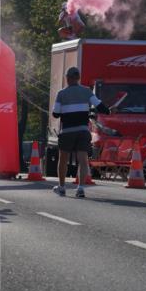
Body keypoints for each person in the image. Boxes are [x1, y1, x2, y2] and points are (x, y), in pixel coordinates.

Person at [51, 66, 110, 198]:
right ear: (78, 78)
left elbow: (55, 114)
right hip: (83, 131)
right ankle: (81, 188)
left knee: (63, 158)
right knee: (83, 159)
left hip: (67, 131)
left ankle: (61, 187)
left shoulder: (61, 93)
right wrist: (109, 111)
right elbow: (100, 106)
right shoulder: (87, 91)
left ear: (67, 78)